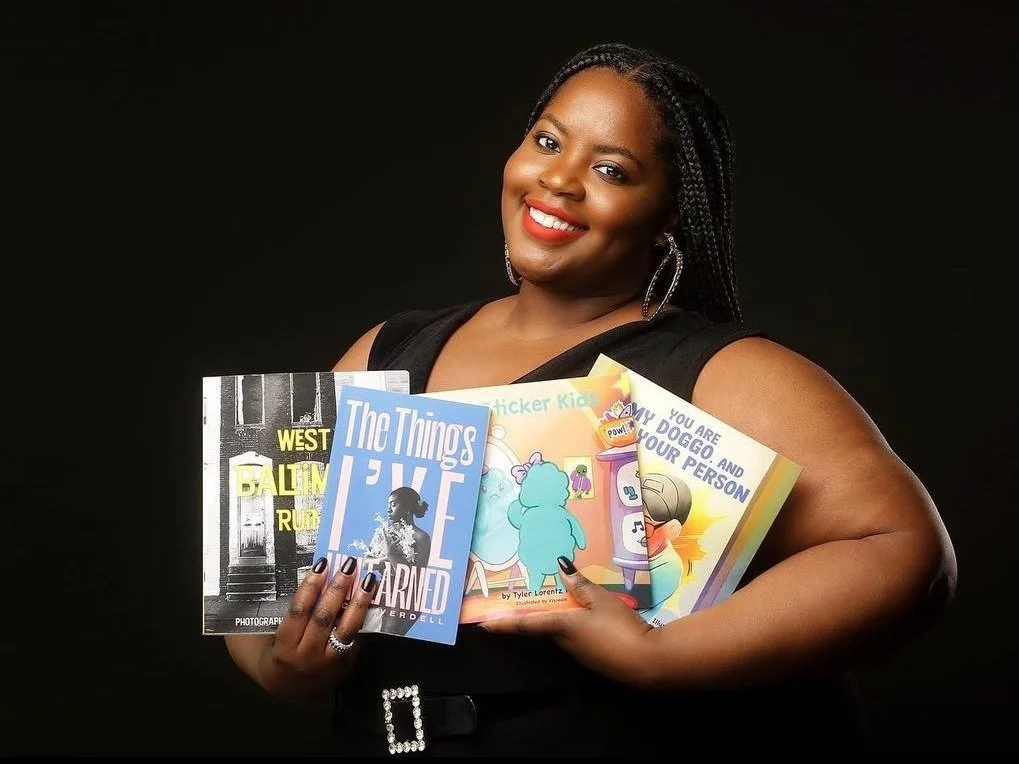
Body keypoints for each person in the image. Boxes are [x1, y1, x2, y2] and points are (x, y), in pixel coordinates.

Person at [223, 41, 957, 757]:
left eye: (611, 169)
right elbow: (257, 595)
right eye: (547, 141)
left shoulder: (723, 372)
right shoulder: (388, 349)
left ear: (668, 214)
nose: (559, 180)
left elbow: (906, 551)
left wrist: (657, 654)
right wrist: (287, 663)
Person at [362, 487, 432, 637]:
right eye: (388, 505)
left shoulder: (421, 537)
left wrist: (390, 554)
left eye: (393, 504)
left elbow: (414, 576)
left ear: (407, 507)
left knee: (387, 638)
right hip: (382, 591)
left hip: (406, 596)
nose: (388, 509)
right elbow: (365, 564)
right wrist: (387, 558)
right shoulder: (383, 532)